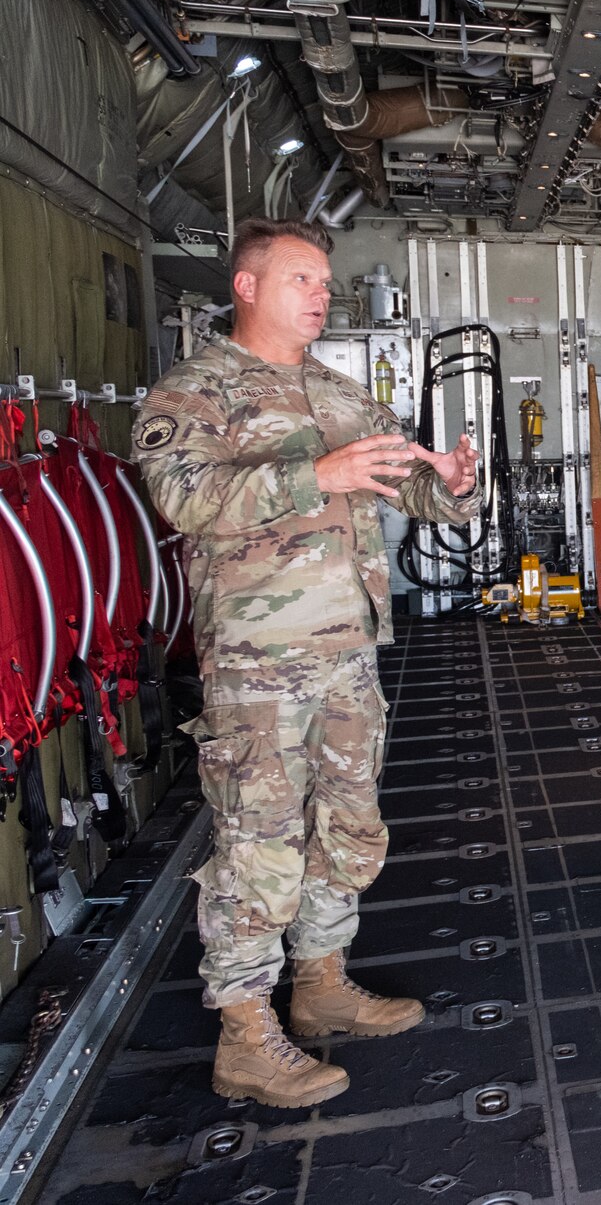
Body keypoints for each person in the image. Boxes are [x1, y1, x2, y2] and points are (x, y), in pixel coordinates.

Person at [136, 218, 480, 1109]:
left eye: (325, 282)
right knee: (260, 844)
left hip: (348, 655)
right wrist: (311, 476)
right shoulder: (195, 391)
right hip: (259, 663)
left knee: (348, 827)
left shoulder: (337, 389)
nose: (321, 295)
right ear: (247, 287)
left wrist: (448, 480)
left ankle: (322, 983)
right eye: (302, 280)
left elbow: (401, 485)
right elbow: (183, 499)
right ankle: (246, 1035)